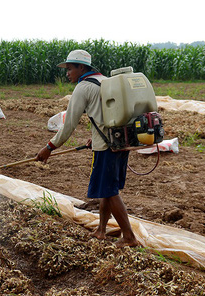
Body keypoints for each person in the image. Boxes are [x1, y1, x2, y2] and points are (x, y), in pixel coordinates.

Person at [35, 49, 138, 248]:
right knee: (106, 189)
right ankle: (101, 230)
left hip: (106, 147)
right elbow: (106, 114)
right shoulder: (105, 81)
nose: (67, 73)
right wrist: (94, 138)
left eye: (70, 68)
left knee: (109, 190)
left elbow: (68, 125)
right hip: (121, 141)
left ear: (82, 68)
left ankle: (129, 237)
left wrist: (49, 147)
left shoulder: (83, 88)